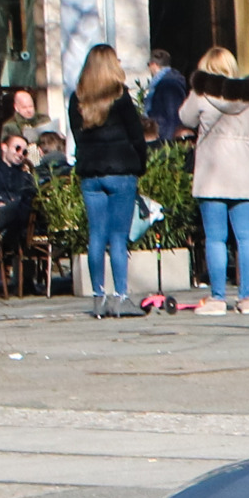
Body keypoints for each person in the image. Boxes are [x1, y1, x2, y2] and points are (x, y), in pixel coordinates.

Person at [180, 46, 249, 315]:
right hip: (243, 169)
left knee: (215, 238)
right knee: (245, 236)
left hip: (212, 171)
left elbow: (184, 118)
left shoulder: (200, 93)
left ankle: (218, 298)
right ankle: (246, 299)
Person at [69, 42, 148, 318]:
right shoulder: (121, 97)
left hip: (91, 172)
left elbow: (77, 137)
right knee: (118, 237)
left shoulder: (77, 99)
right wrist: (141, 163)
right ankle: (121, 296)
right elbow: (137, 135)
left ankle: (98, 297)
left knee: (96, 236)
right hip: (121, 169)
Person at [0, 129, 39, 291]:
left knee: (27, 201)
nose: (20, 154)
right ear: (4, 147)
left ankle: (25, 277)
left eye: (24, 152)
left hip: (19, 222)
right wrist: (1, 201)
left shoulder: (25, 176)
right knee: (23, 203)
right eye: (17, 149)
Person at [144, 48, 188, 143]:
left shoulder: (167, 83)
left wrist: (167, 141)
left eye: (148, 65)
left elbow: (173, 116)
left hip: (165, 136)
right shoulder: (169, 80)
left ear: (153, 64)